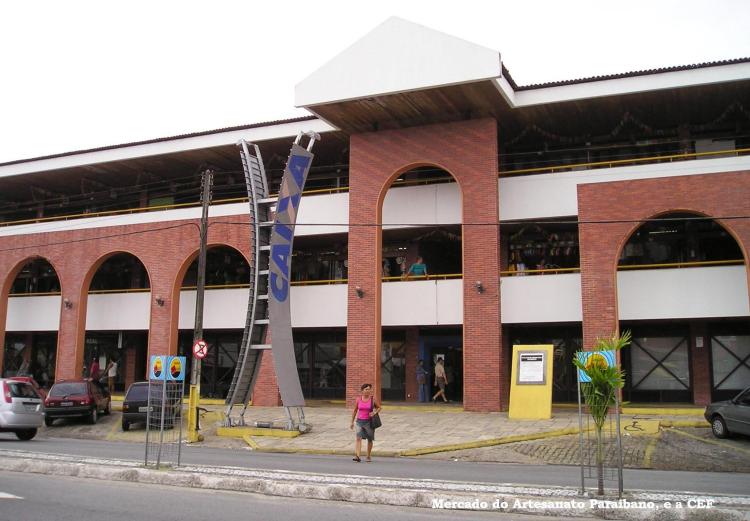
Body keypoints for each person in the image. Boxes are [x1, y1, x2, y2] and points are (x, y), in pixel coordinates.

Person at [349, 383, 380, 463]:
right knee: (358, 438)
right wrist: (352, 422)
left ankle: (368, 456)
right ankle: (357, 456)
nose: (368, 391)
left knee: (369, 439)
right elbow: (355, 410)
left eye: (369, 389)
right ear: (362, 391)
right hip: (359, 421)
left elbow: (379, 407)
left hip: (369, 422)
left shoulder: (372, 399)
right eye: (366, 389)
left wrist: (374, 413)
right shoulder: (358, 399)